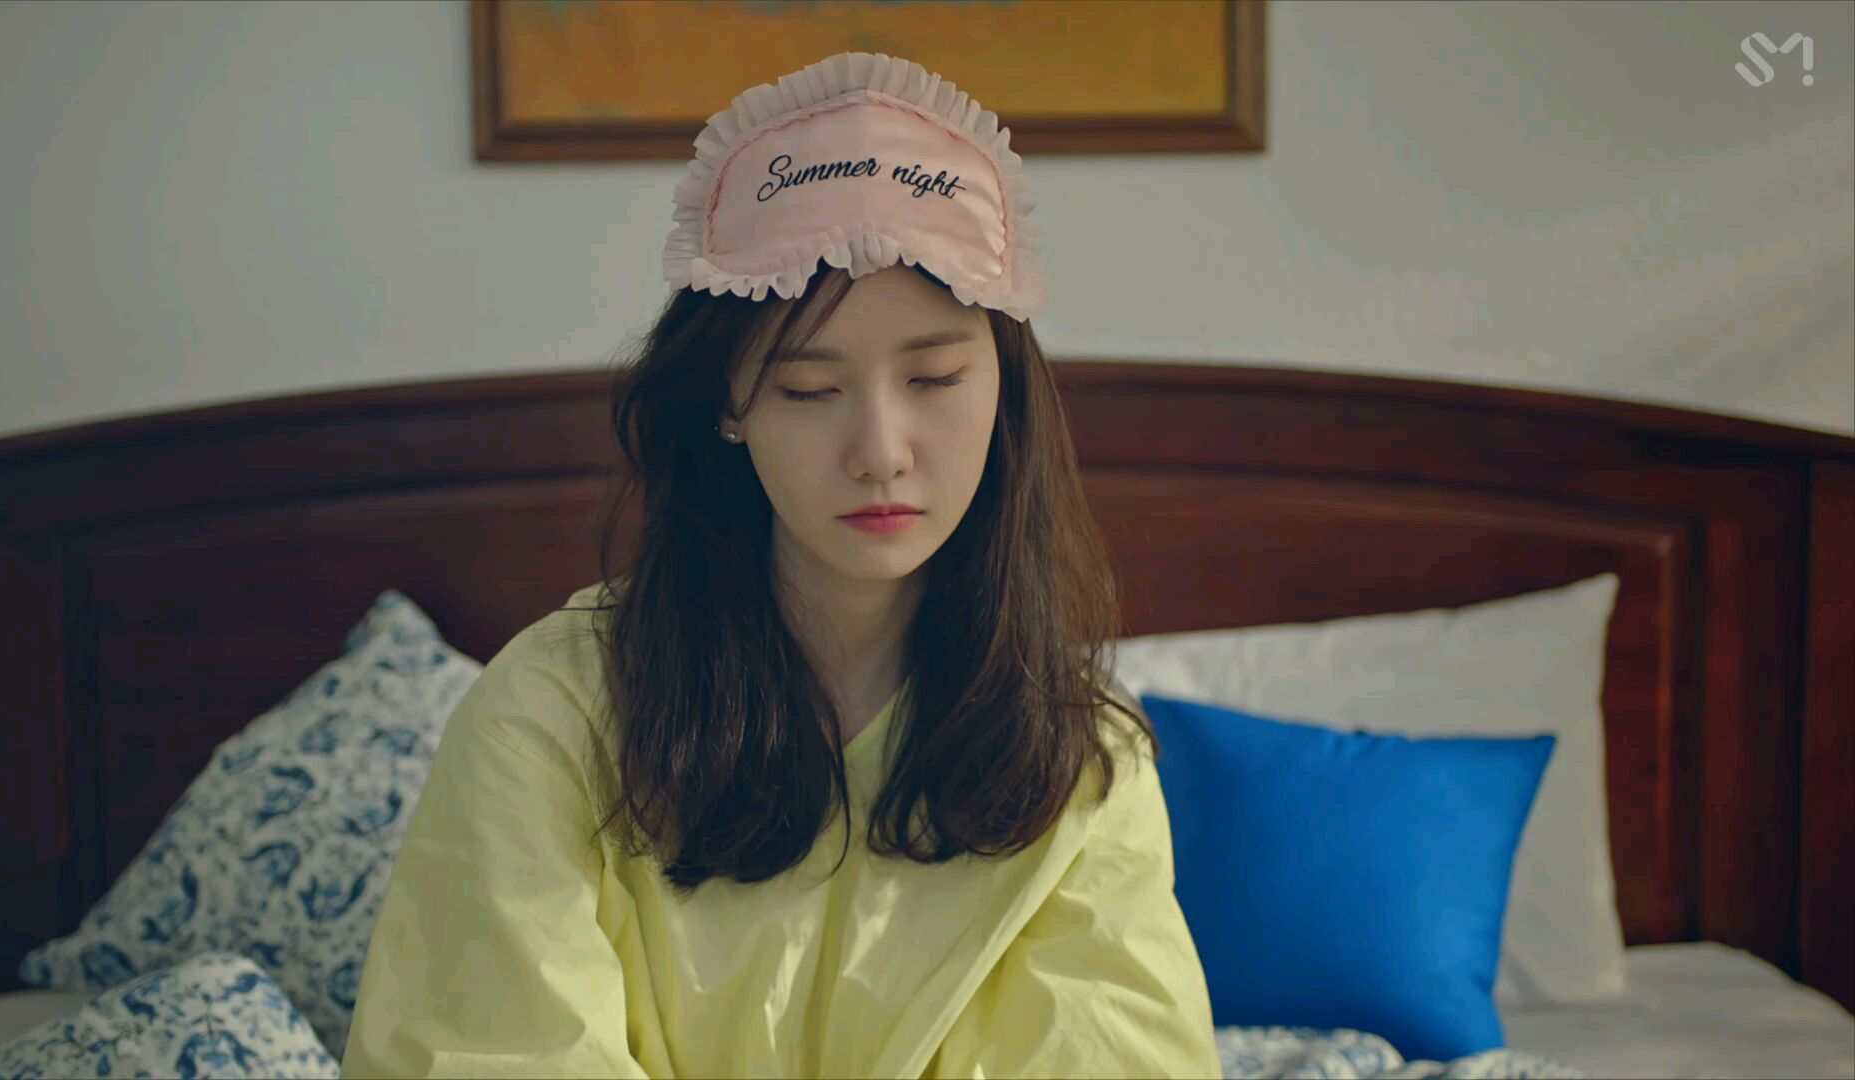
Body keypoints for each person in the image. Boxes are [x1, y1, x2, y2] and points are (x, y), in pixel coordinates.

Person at [340, 52, 1222, 1079]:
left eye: (935, 378)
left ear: (1003, 390)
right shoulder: (550, 717)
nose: (880, 451)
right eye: (809, 391)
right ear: (729, 405)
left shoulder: (1074, 756)